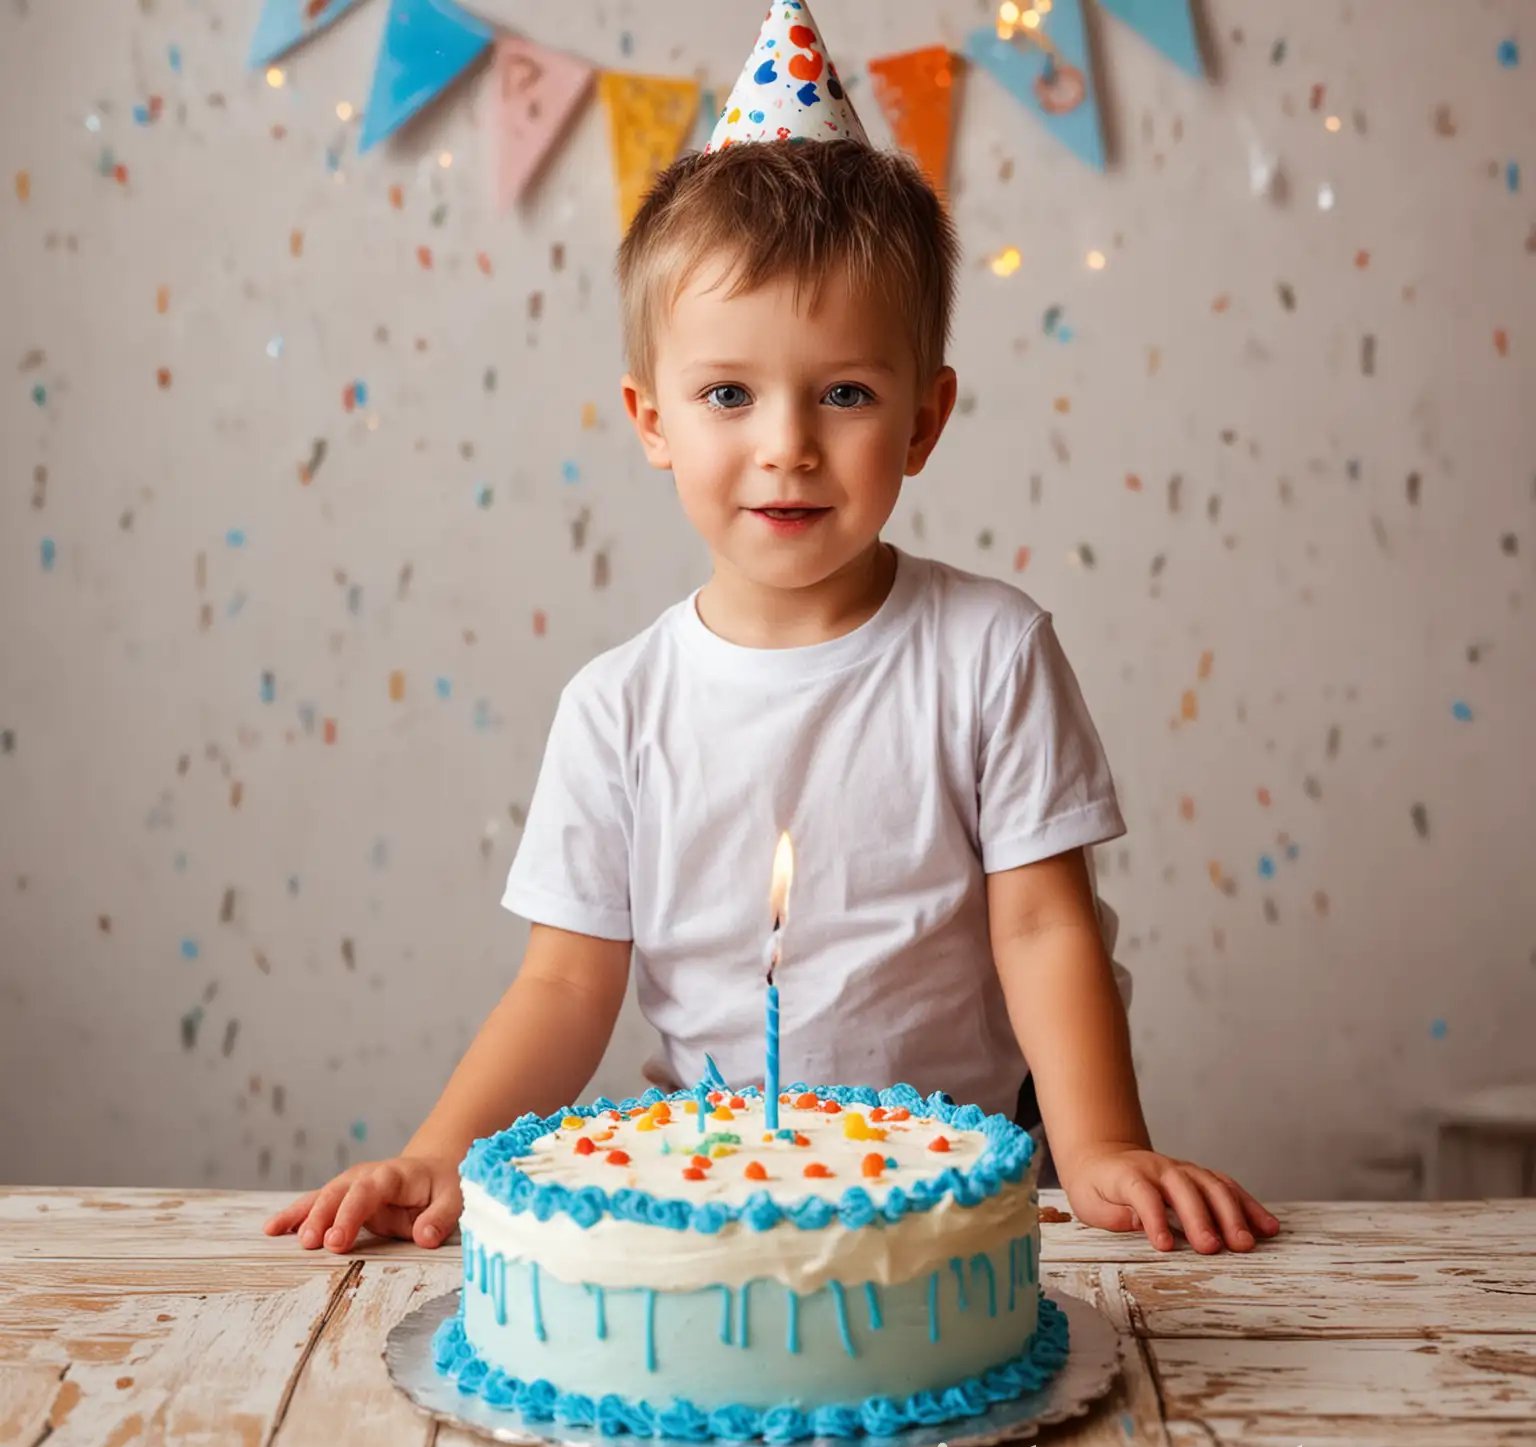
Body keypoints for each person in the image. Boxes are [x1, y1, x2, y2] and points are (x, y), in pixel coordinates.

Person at [267, 1, 1278, 1261]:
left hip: (964, 1197)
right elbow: (566, 985)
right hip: (708, 1191)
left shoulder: (991, 653)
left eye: (845, 393)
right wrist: (439, 1149)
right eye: (728, 394)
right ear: (652, 420)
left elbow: (1042, 924)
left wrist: (1100, 1146)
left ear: (924, 419)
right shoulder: (619, 707)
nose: (787, 445)